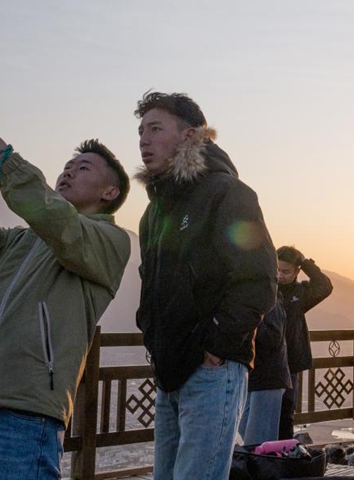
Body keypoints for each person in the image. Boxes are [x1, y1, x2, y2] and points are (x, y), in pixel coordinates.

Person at [0, 75, 131, 479]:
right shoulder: (19, 242)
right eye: (65, 166)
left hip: (23, 416)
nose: (67, 173)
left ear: (109, 193)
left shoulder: (110, 242)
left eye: (82, 168)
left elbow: (55, 218)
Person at [133, 91, 277, 479]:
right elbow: (152, 284)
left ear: (190, 135)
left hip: (212, 369)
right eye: (141, 131)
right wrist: (151, 335)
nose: (144, 140)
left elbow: (258, 278)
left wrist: (214, 346)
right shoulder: (154, 212)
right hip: (169, 369)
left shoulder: (226, 192)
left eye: (156, 128)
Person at [275, 246, 333, 440]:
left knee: (286, 413)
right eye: (277, 270)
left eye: (286, 271)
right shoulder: (266, 289)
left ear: (297, 271)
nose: (280, 275)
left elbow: (324, 286)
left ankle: (284, 457)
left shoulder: (301, 293)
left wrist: (306, 263)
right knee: (262, 415)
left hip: (291, 362)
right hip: (266, 363)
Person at [238, 294, 291, 445]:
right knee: (247, 432)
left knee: (258, 441)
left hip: (269, 378)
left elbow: (274, 338)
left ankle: (262, 467)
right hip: (254, 377)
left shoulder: (270, 302)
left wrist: (251, 320)